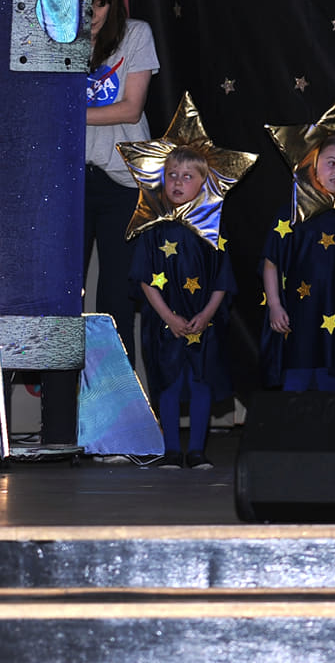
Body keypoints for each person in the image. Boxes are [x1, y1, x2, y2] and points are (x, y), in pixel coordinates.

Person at [129, 147, 234, 469]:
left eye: (187, 176)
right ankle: (172, 449)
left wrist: (207, 314)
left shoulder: (213, 228)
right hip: (165, 323)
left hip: (204, 323)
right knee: (169, 382)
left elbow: (223, 280)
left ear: (203, 183)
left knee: (201, 382)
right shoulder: (153, 228)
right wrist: (168, 316)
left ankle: (198, 450)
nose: (177, 182)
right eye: (172, 175)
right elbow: (145, 279)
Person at [86, 0, 159, 360]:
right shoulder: (55, 42)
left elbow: (131, 109)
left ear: (113, 3)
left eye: (101, 3)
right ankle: (63, 392)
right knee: (62, 292)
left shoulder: (136, 34)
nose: (93, 13)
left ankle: (117, 391)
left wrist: (65, 113)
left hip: (123, 181)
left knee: (116, 295)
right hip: (68, 180)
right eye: (85, 3)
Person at [260, 135, 335, 392]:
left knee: (332, 390)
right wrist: (274, 306)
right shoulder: (290, 214)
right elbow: (271, 262)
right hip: (297, 319)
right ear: (313, 164)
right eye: (332, 163)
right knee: (295, 389)